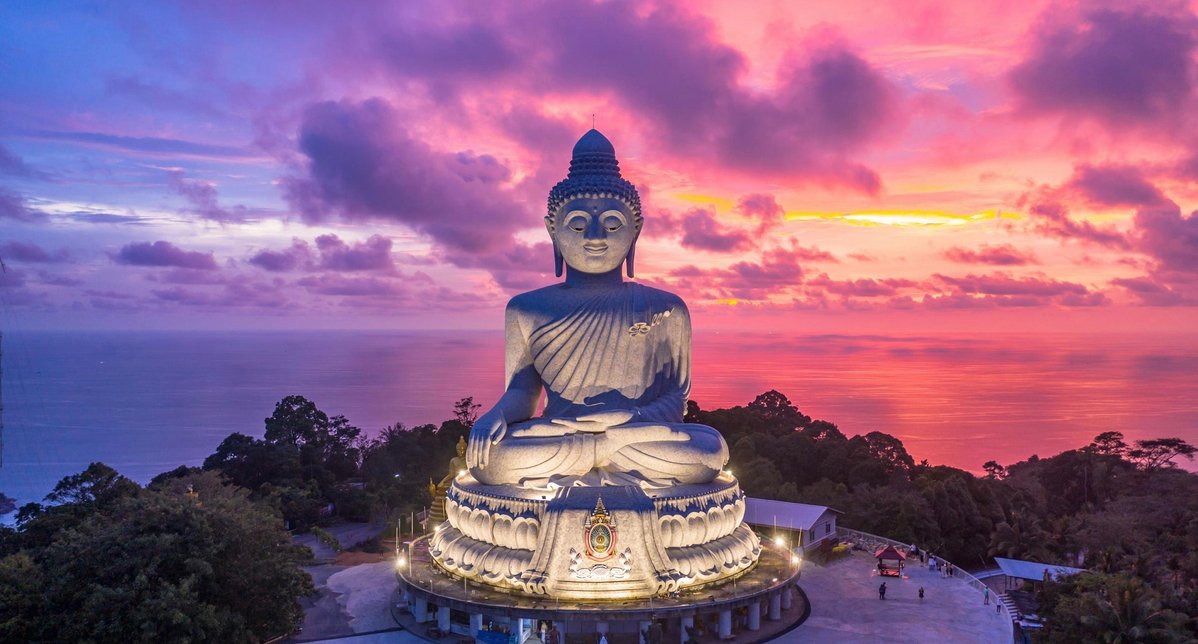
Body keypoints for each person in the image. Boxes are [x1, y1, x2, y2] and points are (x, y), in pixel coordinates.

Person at [466, 129, 729, 488]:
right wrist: (495, 415)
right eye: (577, 224)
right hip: (563, 434)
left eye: (612, 224)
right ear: (552, 232)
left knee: (709, 449)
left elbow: (675, 399)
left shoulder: (667, 308)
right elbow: (523, 393)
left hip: (634, 434)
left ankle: (600, 452)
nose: (594, 237)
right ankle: (603, 454)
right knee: (490, 460)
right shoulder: (526, 309)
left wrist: (630, 419)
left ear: (635, 231)